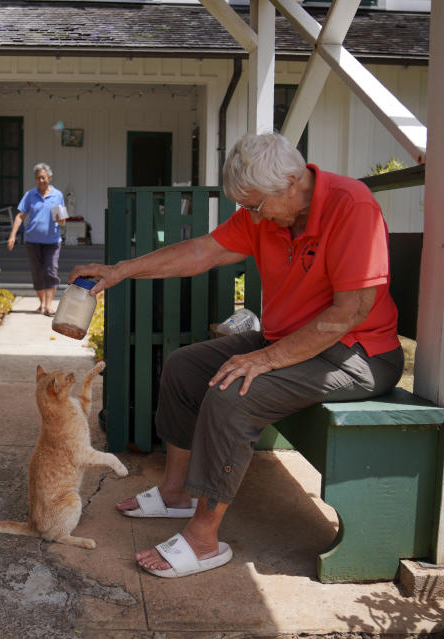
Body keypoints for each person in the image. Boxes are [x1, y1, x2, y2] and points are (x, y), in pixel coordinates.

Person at [68, 132, 404, 579]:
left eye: (255, 205)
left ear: (290, 183)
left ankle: (203, 540)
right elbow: (202, 251)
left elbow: (352, 311)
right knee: (185, 368)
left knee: (234, 393)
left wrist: (266, 360)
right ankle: (175, 494)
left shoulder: (351, 206)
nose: (251, 215)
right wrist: (119, 271)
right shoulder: (266, 214)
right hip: (292, 340)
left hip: (358, 353)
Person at [8, 163, 66, 315]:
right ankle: (42, 304)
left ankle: (48, 305)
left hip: (52, 241)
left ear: (50, 178)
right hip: (32, 241)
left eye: (43, 177)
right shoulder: (30, 195)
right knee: (38, 273)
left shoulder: (57, 195)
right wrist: (12, 235)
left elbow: (63, 220)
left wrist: (61, 220)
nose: (41, 180)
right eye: (38, 178)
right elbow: (20, 215)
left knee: (51, 271)